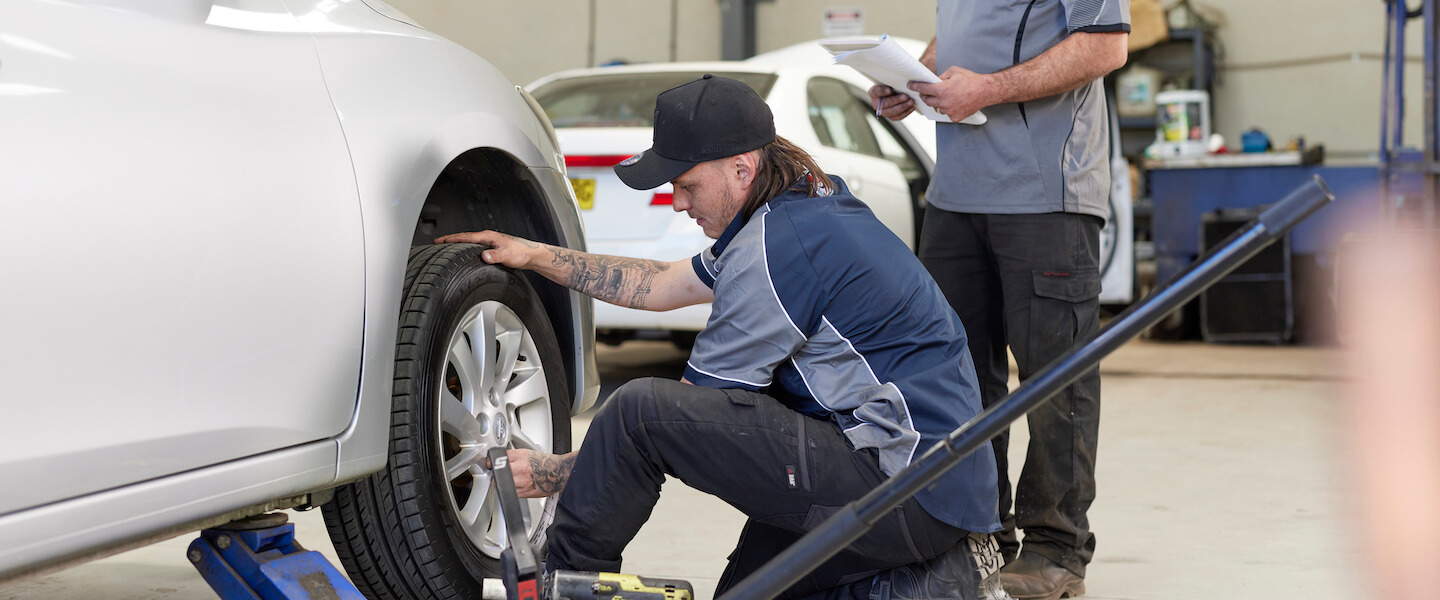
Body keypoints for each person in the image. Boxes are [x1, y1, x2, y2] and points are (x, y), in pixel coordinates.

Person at [437, 74, 1007, 600]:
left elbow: (675, 422)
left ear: (741, 168)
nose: (678, 202)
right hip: (928, 483)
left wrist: (555, 472)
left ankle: (564, 589)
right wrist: (536, 255)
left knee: (637, 412)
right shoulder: (800, 205)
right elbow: (664, 284)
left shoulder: (777, 249)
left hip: (902, 485)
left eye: (687, 185)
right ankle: (928, 581)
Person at [868, 3, 1130, 600]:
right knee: (951, 378)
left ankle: (1056, 549)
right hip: (956, 195)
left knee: (1055, 378)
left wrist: (986, 89)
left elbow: (1104, 46)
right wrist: (915, 78)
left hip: (1044, 195)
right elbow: (967, 29)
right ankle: (980, 534)